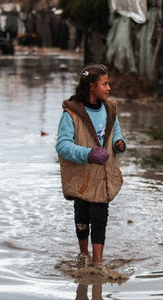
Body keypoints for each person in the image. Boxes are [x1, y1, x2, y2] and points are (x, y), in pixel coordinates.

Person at [56, 64, 126, 268]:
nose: (108, 88)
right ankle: (83, 255)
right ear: (91, 87)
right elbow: (62, 145)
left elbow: (116, 130)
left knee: (100, 218)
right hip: (82, 177)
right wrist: (88, 153)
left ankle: (97, 264)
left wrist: (118, 144)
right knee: (82, 217)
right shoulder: (71, 114)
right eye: (104, 84)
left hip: (103, 177)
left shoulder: (110, 108)